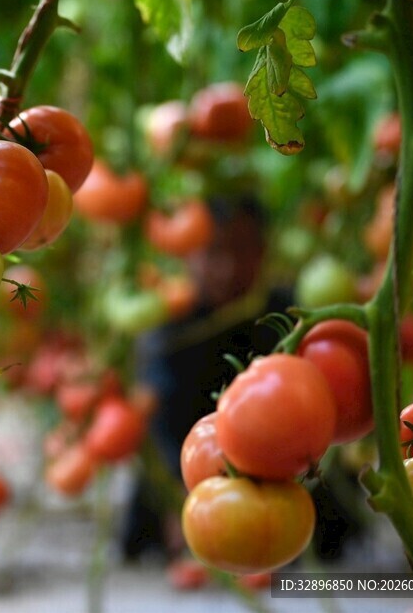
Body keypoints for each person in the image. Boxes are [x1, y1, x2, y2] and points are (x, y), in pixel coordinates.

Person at [122, 194, 363, 568]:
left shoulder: (292, 319)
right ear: (187, 254)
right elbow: (161, 423)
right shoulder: (168, 328)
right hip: (200, 486)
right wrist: (181, 501)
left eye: (243, 250)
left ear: (263, 251)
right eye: (213, 252)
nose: (227, 268)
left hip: (286, 488)